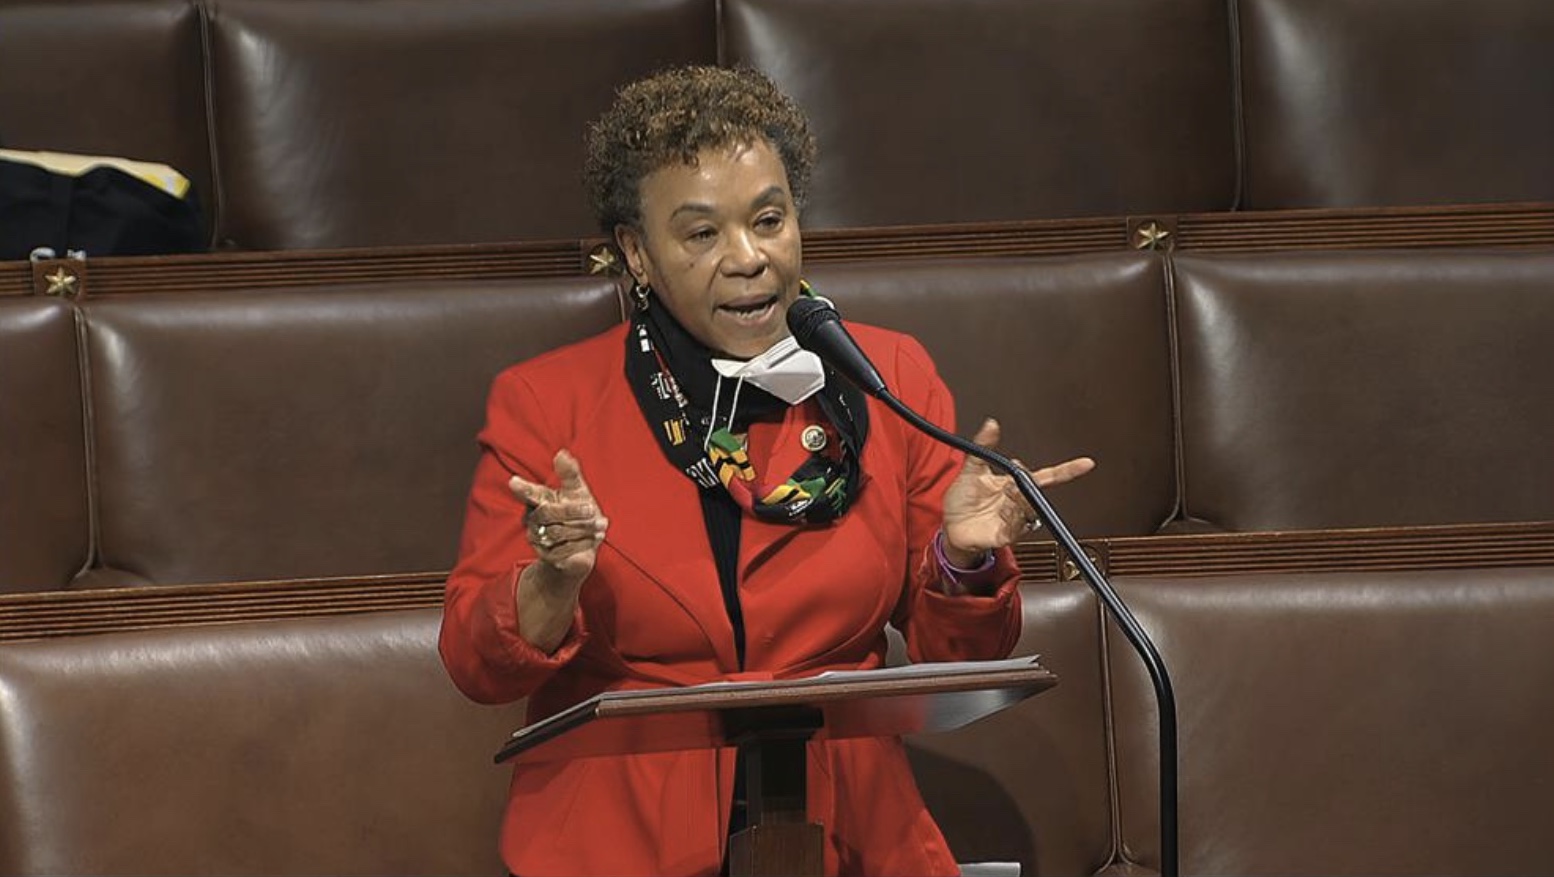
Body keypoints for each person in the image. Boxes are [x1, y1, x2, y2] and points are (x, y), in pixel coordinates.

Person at [438, 64, 1095, 877]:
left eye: (769, 220)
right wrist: (553, 580)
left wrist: (961, 559)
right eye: (702, 233)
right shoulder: (547, 402)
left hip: (850, 833)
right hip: (620, 838)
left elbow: (958, 652)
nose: (748, 258)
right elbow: (477, 664)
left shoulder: (890, 376)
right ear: (637, 253)